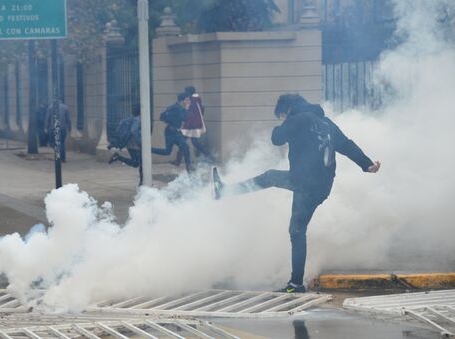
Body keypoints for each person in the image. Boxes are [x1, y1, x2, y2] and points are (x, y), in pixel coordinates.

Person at [212, 94, 381, 293]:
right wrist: (367, 164)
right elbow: (346, 145)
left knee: (294, 225)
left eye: (282, 116)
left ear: (288, 110)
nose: (282, 119)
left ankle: (296, 284)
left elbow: (276, 139)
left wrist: (285, 123)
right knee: (292, 220)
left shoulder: (299, 119)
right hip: (322, 185)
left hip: (306, 183)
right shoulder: (326, 122)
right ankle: (296, 283)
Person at [173, 86, 215, 166]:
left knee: (184, 143)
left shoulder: (191, 101)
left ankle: (177, 162)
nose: (185, 93)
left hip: (191, 125)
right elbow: (201, 110)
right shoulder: (196, 100)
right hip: (194, 125)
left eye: (186, 91)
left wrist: (185, 125)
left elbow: (189, 115)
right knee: (191, 143)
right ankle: (210, 157)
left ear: (189, 92)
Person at [152, 92, 193, 172]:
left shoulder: (172, 107)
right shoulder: (179, 108)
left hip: (170, 131)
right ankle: (188, 167)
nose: (188, 101)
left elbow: (162, 116)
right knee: (185, 147)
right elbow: (184, 118)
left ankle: (148, 149)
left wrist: (171, 120)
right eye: (187, 100)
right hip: (173, 132)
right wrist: (187, 109)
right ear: (182, 100)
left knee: (169, 151)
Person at [108, 105, 143, 185]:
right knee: (139, 163)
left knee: (138, 163)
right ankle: (142, 181)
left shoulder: (131, 119)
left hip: (130, 144)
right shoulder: (138, 120)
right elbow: (133, 131)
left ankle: (142, 181)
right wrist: (139, 142)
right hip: (135, 144)